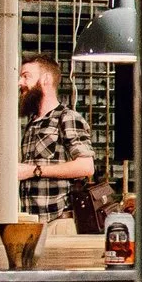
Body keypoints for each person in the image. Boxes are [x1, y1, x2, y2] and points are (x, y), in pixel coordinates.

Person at [15, 55, 95, 224]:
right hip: (34, 222)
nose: (20, 83)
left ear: (46, 79)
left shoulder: (67, 117)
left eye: (26, 76)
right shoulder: (32, 123)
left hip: (59, 220)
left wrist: (34, 170)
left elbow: (86, 167)